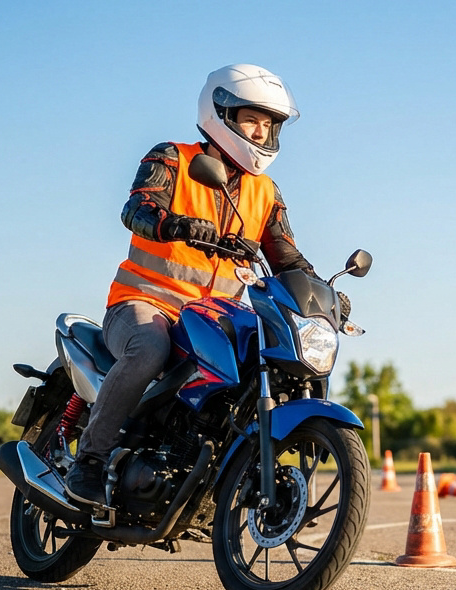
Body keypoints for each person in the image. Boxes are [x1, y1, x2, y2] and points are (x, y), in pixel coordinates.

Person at [65, 64, 322, 508]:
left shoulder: (266, 192)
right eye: (251, 120)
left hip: (213, 319)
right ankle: (89, 461)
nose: (260, 133)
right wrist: (174, 224)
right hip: (145, 304)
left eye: (268, 124)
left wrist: (319, 294)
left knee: (265, 361)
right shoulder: (174, 158)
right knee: (149, 350)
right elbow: (137, 209)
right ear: (220, 113)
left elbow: (285, 256)